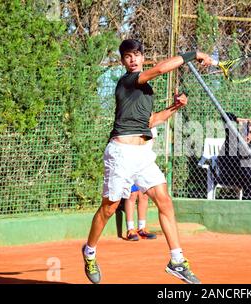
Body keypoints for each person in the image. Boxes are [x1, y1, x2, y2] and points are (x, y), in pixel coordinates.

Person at [81, 39, 212, 284]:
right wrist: (196, 54)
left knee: (164, 200)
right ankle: (89, 251)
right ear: (123, 61)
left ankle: (177, 260)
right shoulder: (129, 81)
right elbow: (161, 69)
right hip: (121, 153)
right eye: (127, 56)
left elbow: (150, 122)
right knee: (109, 208)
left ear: (142, 57)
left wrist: (175, 107)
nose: (132, 60)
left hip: (143, 155)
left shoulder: (146, 92)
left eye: (136, 55)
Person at [122, 127, 158, 241]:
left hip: (145, 165)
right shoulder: (133, 123)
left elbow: (152, 143)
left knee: (144, 195)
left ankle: (142, 228)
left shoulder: (153, 126)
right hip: (131, 163)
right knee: (132, 194)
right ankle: (130, 229)